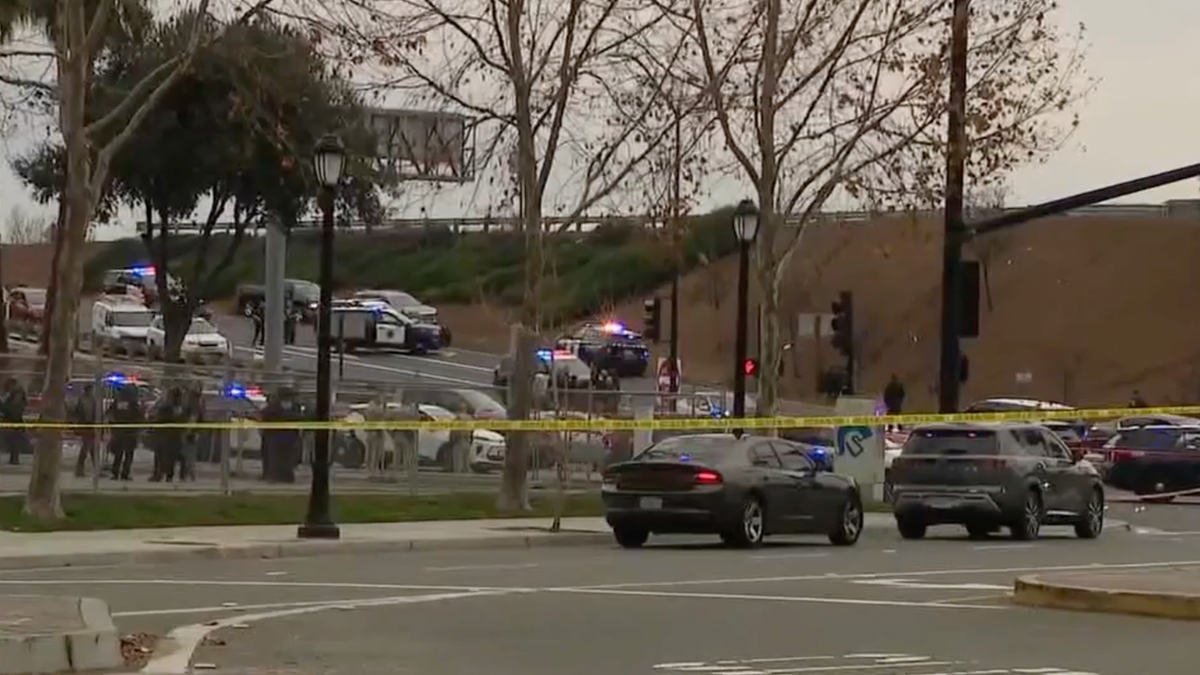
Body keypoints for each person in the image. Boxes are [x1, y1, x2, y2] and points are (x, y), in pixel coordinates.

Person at [150, 387, 186, 482]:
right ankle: (169, 476)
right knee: (172, 457)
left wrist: (154, 421)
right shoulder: (180, 408)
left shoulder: (165, 407)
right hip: (174, 435)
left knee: (160, 455)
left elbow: (159, 419)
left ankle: (158, 475)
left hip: (165, 435)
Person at [108, 384, 142, 480]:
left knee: (119, 454)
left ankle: (115, 473)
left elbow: (110, 414)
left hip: (119, 432)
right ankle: (124, 474)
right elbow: (139, 416)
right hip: (129, 432)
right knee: (128, 455)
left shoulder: (117, 402)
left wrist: (113, 426)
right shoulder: (133, 403)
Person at [71, 383, 99, 478]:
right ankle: (81, 469)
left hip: (91, 425)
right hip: (86, 426)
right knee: (87, 448)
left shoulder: (93, 400)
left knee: (91, 448)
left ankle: (95, 469)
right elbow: (78, 413)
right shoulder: (83, 400)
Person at [1, 378, 27, 465]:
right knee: (13, 440)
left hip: (13, 420)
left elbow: (12, 409)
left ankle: (14, 459)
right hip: (12, 420)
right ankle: (13, 458)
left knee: (14, 440)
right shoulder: (12, 394)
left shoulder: (16, 394)